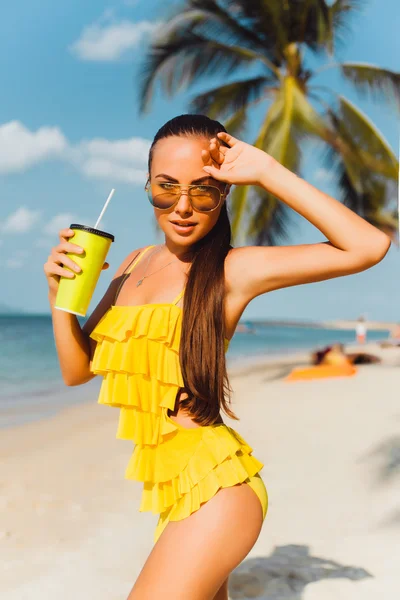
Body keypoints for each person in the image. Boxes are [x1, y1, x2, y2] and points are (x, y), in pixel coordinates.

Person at [44, 114, 391, 600]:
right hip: (173, 492)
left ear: (224, 192)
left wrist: (268, 171)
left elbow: (369, 245)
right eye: (166, 188)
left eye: (203, 190)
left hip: (219, 492)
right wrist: (61, 299)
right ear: (148, 186)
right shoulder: (132, 264)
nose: (183, 207)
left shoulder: (233, 270)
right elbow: (77, 370)